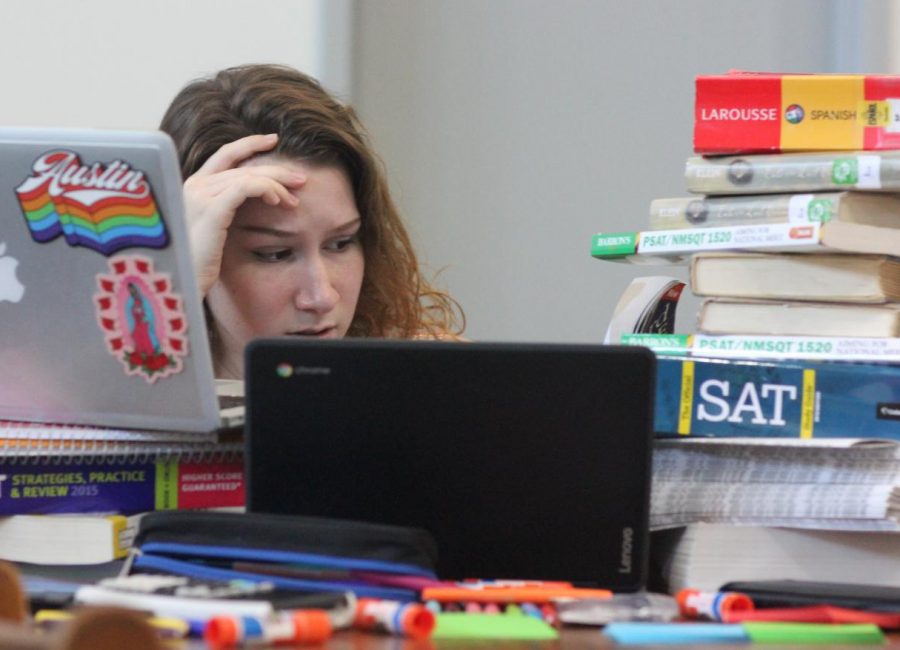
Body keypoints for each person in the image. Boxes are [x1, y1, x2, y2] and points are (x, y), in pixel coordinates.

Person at [160, 64, 464, 378]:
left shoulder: (423, 377)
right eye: (275, 254)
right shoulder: (123, 403)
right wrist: (173, 287)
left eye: (341, 243)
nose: (321, 297)